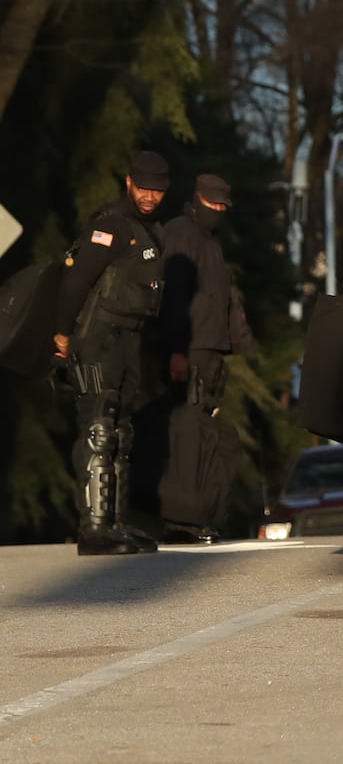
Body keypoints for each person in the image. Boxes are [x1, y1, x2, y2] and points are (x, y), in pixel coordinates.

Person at [53, 151, 172, 556]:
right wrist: (61, 336)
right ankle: (93, 529)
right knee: (98, 426)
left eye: (157, 190)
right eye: (143, 188)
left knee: (121, 431)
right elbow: (74, 283)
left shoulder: (148, 229)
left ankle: (114, 522)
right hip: (98, 337)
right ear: (129, 182)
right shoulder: (110, 226)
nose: (150, 196)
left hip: (127, 339)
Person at [153, 173, 255, 544]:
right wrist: (177, 351)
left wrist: (240, 341)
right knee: (188, 435)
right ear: (197, 200)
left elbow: (223, 297)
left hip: (209, 348)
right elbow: (175, 299)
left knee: (204, 434)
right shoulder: (182, 234)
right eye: (212, 205)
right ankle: (181, 521)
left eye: (221, 207)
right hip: (191, 348)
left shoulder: (209, 240)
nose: (217, 212)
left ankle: (196, 517)